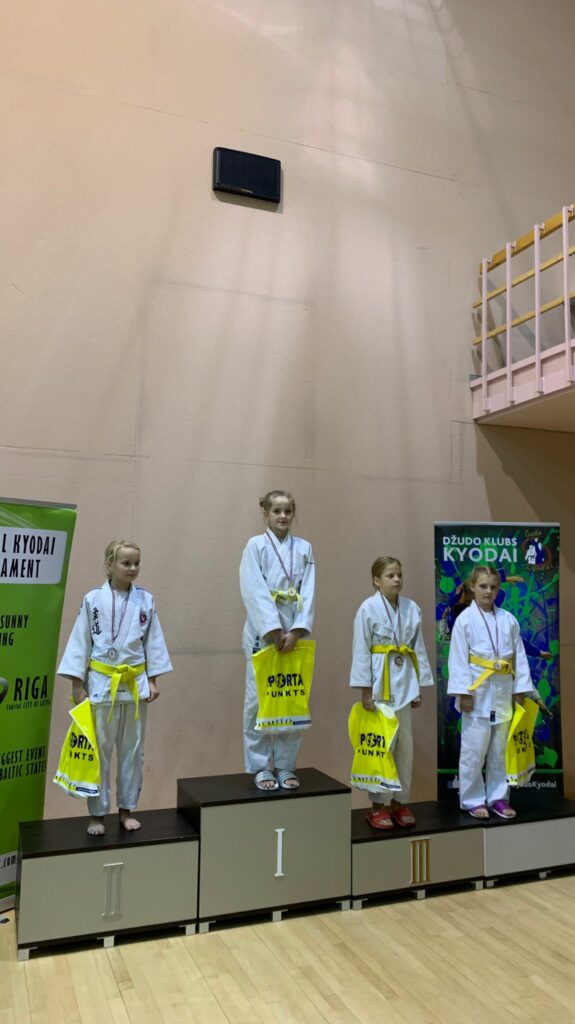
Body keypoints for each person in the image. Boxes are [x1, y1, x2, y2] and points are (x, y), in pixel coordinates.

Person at [58, 541, 172, 835]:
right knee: (100, 752)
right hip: (101, 683)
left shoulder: (145, 600)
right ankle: (97, 814)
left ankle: (126, 810)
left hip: (134, 685)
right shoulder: (92, 599)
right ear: (109, 565)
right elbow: (81, 641)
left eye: (137, 563)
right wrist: (77, 684)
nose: (133, 568)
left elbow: (153, 642)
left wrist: (153, 681)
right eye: (126, 563)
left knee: (133, 752)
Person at [350, 556, 434, 830]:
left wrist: (418, 686)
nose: (397, 579)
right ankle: (377, 806)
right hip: (379, 683)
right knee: (382, 746)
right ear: (377, 580)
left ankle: (400, 802)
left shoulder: (411, 608)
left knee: (404, 747)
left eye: (399, 574)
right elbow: (361, 650)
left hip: (404, 680)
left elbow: (418, 648)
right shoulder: (368, 608)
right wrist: (365, 691)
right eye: (390, 575)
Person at [239, 490, 315, 791]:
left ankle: (285, 765)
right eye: (277, 511)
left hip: (293, 631)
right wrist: (271, 629)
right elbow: (253, 589)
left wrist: (297, 630)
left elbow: (309, 591)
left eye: (288, 511)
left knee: (291, 698)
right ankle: (260, 766)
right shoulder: (255, 546)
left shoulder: (305, 548)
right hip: (262, 633)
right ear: (266, 514)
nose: (283, 516)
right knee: (258, 700)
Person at [447, 565, 533, 820]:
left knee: (499, 751)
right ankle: (473, 799)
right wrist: (463, 693)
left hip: (503, 691)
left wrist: (520, 689)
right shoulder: (464, 620)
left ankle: (498, 797)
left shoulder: (508, 619)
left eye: (493, 587)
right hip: (477, 692)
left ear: (498, 589)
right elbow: (458, 659)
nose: (488, 591)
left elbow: (519, 656)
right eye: (483, 586)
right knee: (473, 751)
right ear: (472, 587)